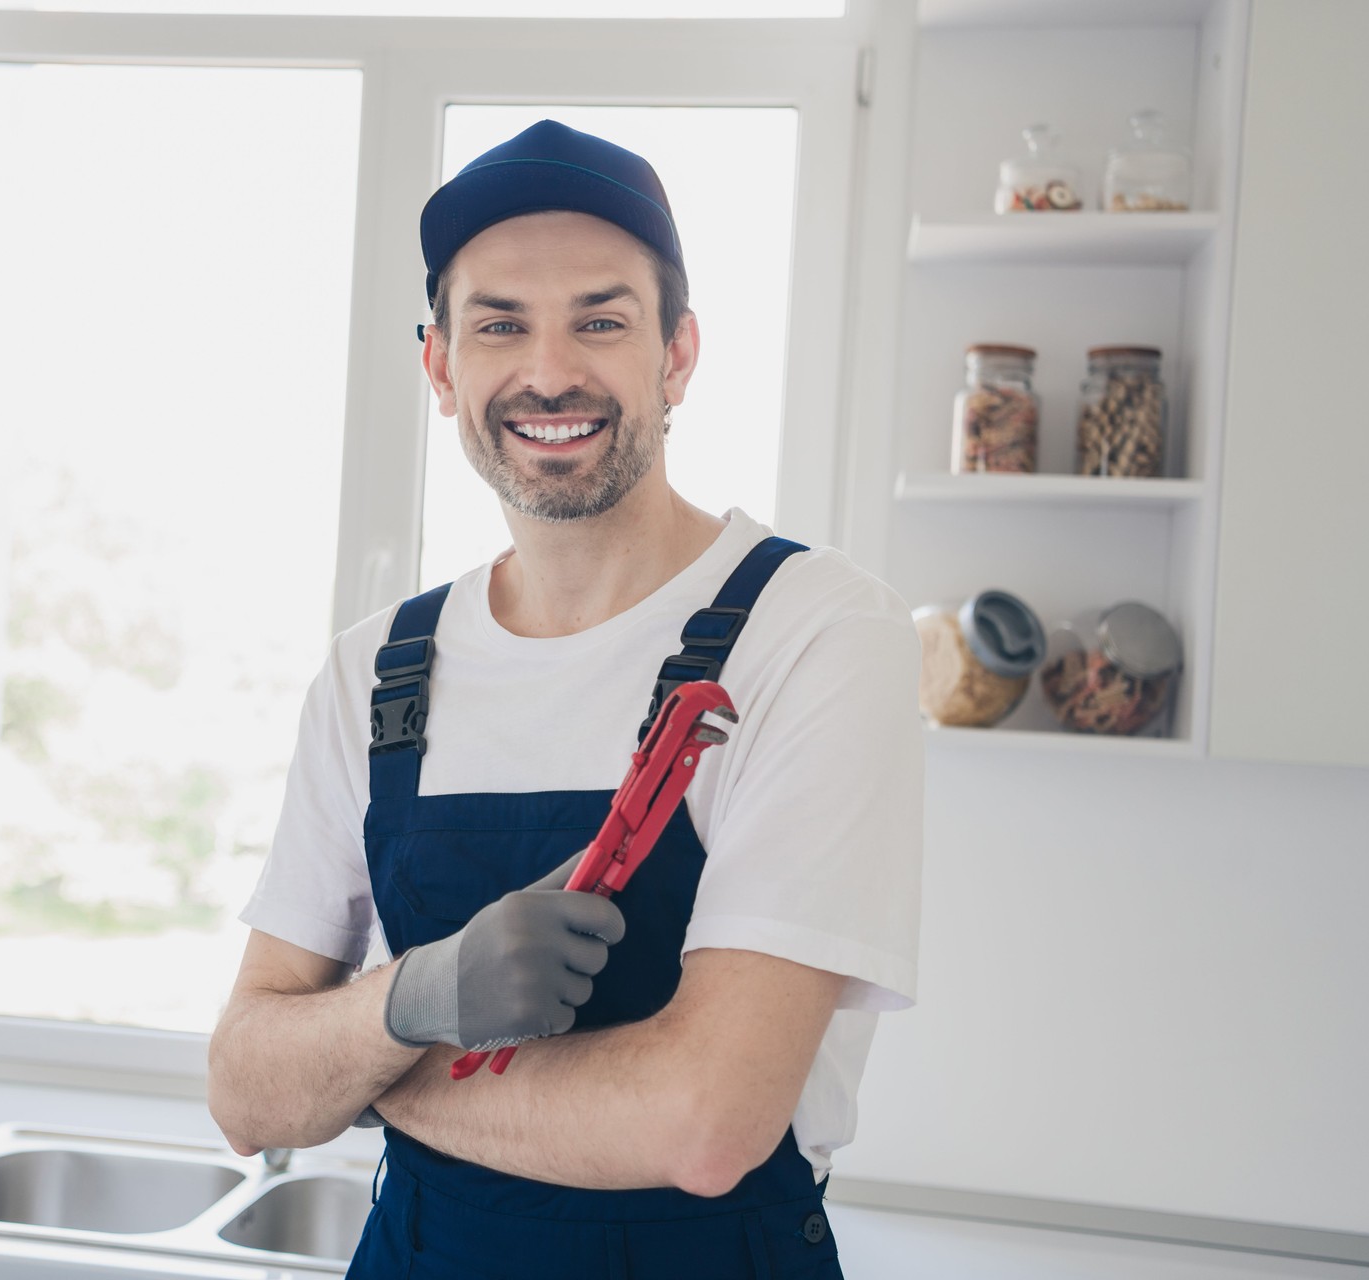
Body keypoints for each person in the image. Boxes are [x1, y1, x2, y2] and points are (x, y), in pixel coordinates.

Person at [207, 119, 923, 1279]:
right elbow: (243, 1087)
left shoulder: (818, 632)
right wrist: (419, 991)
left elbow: (706, 1119)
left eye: (601, 319)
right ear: (440, 365)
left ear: (677, 355)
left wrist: (369, 1068)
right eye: (500, 324)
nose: (548, 372)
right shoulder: (376, 674)